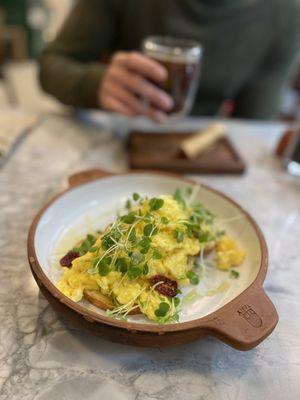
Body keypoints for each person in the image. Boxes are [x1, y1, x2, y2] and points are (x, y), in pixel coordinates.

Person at [39, 0, 300, 122]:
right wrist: (96, 84)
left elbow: (253, 126)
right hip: (116, 131)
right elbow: (51, 64)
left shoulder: (286, 15)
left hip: (202, 157)